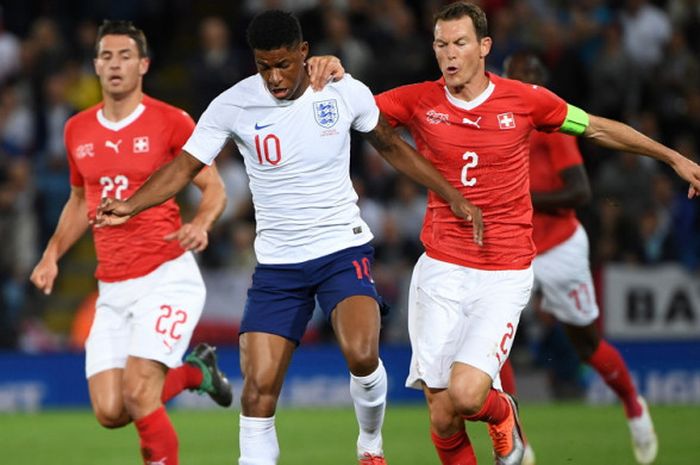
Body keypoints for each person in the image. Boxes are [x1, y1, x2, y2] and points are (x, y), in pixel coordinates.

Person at [93, 10, 482, 465]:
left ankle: (371, 442)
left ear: (303, 53)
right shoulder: (232, 105)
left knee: (360, 354)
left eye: (283, 64)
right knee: (257, 392)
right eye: (263, 66)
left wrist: (451, 194)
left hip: (341, 248)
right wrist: (130, 203)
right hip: (278, 266)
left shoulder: (342, 91)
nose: (274, 77)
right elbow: (183, 167)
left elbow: (393, 146)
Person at [324, 2, 700, 464]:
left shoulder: (524, 101)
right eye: (441, 44)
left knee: (466, 395)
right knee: (442, 416)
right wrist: (332, 73)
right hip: (440, 268)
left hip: (502, 271)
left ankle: (505, 415)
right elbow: (346, 112)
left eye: (460, 43)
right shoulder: (419, 99)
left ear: (484, 47)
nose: (449, 54)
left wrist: (673, 158)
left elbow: (597, 129)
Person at [29, 20, 232, 465]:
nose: (114, 64)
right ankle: (196, 372)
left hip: (166, 276)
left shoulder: (171, 121)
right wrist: (51, 254)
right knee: (110, 410)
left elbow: (214, 187)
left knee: (141, 395)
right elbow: (80, 199)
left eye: (124, 56)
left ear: (143, 64)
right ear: (96, 65)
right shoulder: (77, 130)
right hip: (112, 287)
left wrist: (201, 223)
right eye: (106, 56)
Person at [498, 50, 658, 465]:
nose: (524, 86)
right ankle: (517, 440)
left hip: (561, 247)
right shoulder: (494, 126)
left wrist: (523, 199)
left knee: (586, 342)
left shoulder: (553, 127)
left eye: (531, 78)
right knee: (493, 347)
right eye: (517, 77)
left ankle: (632, 406)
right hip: (512, 247)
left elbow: (580, 193)